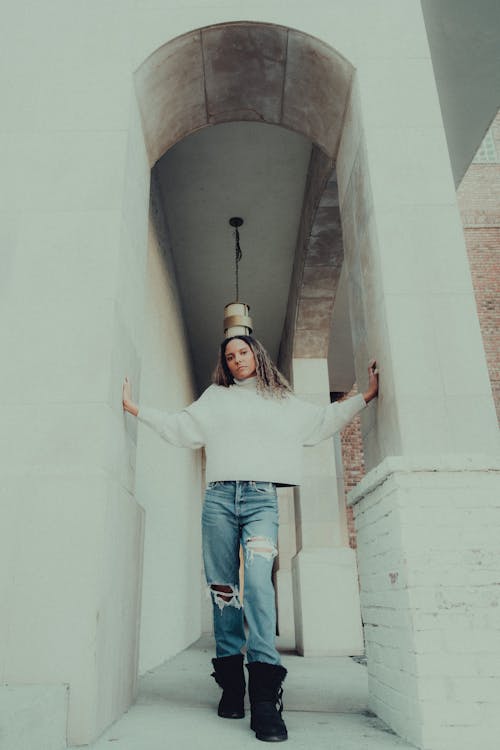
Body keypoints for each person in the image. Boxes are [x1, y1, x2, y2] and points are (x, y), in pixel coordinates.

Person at [122, 335, 379, 743]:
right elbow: (180, 428)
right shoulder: (216, 397)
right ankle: (231, 685)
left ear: (256, 355)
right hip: (219, 499)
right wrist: (137, 410)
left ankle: (263, 695)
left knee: (258, 585)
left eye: (243, 352)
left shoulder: (280, 400)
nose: (237, 360)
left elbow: (320, 422)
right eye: (229, 356)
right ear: (224, 363)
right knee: (223, 587)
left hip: (261, 499)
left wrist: (363, 397)